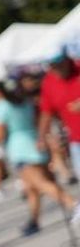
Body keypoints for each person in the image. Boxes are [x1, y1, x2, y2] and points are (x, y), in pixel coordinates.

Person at [0, 80, 80, 237]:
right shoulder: (24, 101)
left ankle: (74, 204)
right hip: (35, 143)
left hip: (20, 149)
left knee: (41, 184)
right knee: (32, 189)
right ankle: (34, 221)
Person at [39, 53, 80, 189]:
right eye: (52, 67)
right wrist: (41, 138)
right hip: (76, 139)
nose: (56, 70)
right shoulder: (49, 81)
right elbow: (46, 112)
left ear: (67, 61)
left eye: (59, 65)